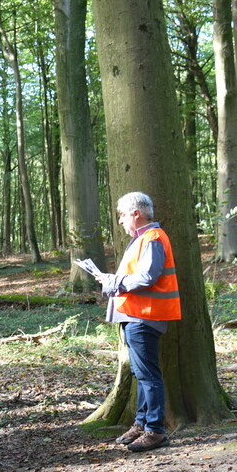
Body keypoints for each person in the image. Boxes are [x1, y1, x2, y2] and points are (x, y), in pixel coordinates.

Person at [99, 191, 181, 453]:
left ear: (136, 213)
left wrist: (115, 282)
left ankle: (155, 430)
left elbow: (148, 276)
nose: (121, 221)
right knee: (141, 374)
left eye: (122, 215)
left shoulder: (153, 238)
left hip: (146, 316)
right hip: (135, 315)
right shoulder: (142, 239)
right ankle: (141, 423)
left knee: (148, 376)